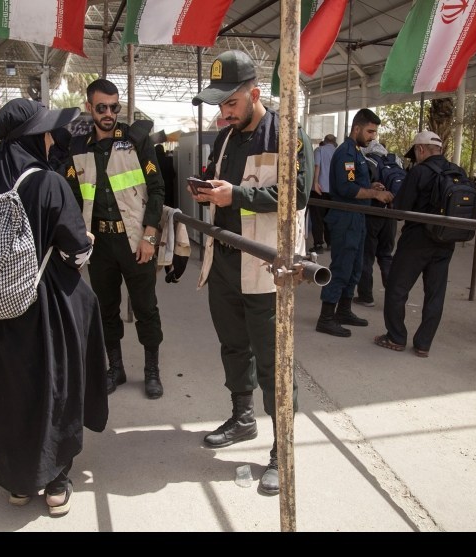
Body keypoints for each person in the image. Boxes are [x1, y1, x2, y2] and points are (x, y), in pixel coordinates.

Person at [0, 98, 108, 516]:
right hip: (39, 309)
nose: (51, 138)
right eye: (46, 131)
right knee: (53, 386)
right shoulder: (47, 182)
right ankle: (56, 481)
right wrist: (85, 246)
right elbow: (76, 251)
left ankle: (16, 481)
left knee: (2, 390)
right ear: (35, 137)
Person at [190, 49, 311, 496]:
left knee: (274, 361)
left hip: (265, 266)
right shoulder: (225, 138)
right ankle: (243, 419)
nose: (224, 111)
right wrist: (206, 190)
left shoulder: (287, 134)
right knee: (234, 346)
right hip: (223, 260)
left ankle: (284, 450)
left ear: (255, 94)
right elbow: (213, 177)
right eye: (220, 104)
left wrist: (235, 195)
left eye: (230, 103)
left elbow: (296, 194)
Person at [61, 78, 166, 400]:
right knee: (106, 308)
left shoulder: (137, 141)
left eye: (114, 107)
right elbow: (72, 197)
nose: (109, 113)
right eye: (102, 107)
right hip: (100, 245)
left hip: (135, 242)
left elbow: (157, 190)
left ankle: (152, 371)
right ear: (89, 107)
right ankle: (116, 368)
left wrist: (150, 235)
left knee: (146, 308)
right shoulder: (76, 148)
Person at [374, 130, 461, 357]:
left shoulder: (419, 172)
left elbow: (401, 209)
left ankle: (396, 337)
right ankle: (423, 344)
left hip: (416, 241)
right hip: (446, 240)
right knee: (435, 293)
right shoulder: (457, 172)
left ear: (421, 150)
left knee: (397, 287)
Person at [315, 109, 393, 338]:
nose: (373, 136)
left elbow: (356, 182)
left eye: (375, 132)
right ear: (356, 128)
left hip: (357, 217)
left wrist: (372, 187)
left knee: (356, 266)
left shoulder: (357, 152)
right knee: (341, 267)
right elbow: (346, 188)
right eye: (370, 131)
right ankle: (326, 317)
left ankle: (344, 310)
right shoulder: (346, 153)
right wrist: (374, 194)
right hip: (345, 218)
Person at [354, 139, 399, 307]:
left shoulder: (366, 161)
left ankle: (366, 296)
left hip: (372, 214)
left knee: (367, 256)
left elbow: (359, 186)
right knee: (386, 256)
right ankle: (394, 298)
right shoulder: (395, 162)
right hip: (390, 214)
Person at [309, 134, 336, 254]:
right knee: (330, 218)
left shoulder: (319, 150)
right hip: (334, 192)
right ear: (334, 142)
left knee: (317, 218)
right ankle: (330, 243)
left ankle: (318, 245)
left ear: (324, 141)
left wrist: (315, 182)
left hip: (319, 190)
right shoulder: (338, 152)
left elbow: (317, 166)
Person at [155, 143, 177, 208]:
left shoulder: (153, 162)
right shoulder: (168, 160)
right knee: (168, 204)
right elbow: (173, 174)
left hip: (158, 186)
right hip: (168, 186)